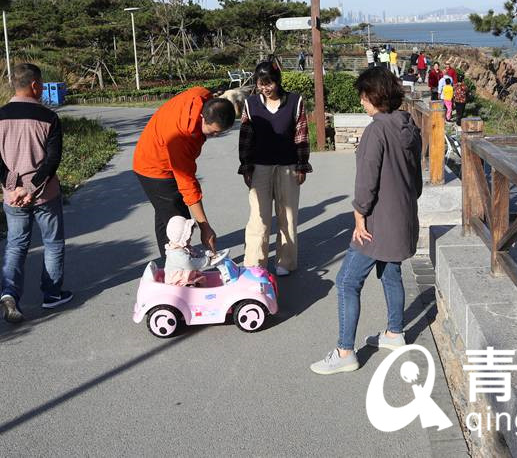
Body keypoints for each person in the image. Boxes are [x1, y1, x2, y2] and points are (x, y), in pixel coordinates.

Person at [310, 67, 422, 375]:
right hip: (403, 216)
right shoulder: (409, 127)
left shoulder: (376, 129)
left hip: (378, 220)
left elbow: (367, 179)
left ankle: (345, 351)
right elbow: (416, 181)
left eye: (363, 96)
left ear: (373, 96)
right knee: (391, 274)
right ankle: (394, 332)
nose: (361, 102)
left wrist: (359, 213)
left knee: (347, 281)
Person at [0, 63, 70, 323]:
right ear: (34, 85)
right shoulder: (48, 118)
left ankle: (9, 293)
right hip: (45, 195)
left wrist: (13, 186)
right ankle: (52, 294)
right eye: (41, 85)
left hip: (13, 198)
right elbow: (52, 160)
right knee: (53, 243)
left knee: (16, 245)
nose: (42, 89)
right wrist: (31, 188)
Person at [132, 87, 236, 259]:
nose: (216, 136)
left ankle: (169, 267)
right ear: (203, 117)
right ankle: (179, 272)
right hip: (154, 166)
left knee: (166, 215)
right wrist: (205, 227)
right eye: (214, 132)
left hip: (158, 150)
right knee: (180, 226)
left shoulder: (202, 96)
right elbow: (187, 184)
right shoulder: (181, 136)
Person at [238, 60, 312, 275]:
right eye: (261, 84)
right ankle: (254, 263)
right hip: (259, 165)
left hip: (288, 165)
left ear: (277, 81)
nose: (265, 88)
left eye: (268, 83)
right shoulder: (251, 104)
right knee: (258, 218)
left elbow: (301, 134)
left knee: (287, 216)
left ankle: (285, 262)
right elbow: (246, 136)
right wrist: (246, 166)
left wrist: (301, 165)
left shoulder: (295, 101)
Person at [163, 216, 227, 286]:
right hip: (179, 283)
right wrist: (207, 260)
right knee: (193, 289)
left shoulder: (184, 247)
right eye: (188, 237)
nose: (190, 239)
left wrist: (207, 253)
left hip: (187, 278)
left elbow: (197, 252)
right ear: (181, 238)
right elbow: (190, 263)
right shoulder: (176, 253)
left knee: (200, 283)